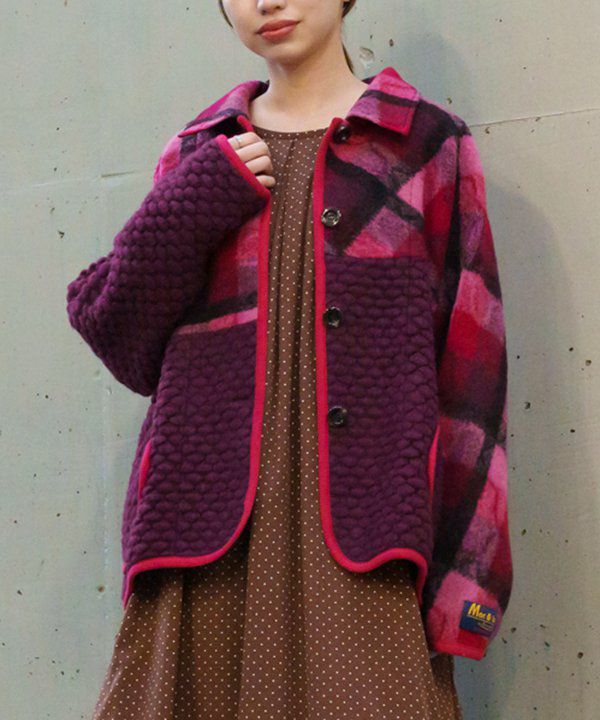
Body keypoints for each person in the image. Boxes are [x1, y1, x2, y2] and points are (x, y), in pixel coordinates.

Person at [66, 1, 513, 718]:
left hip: (369, 541)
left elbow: (472, 374)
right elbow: (123, 339)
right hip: (203, 545)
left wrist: (469, 584)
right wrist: (195, 201)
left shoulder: (424, 146)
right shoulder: (200, 151)